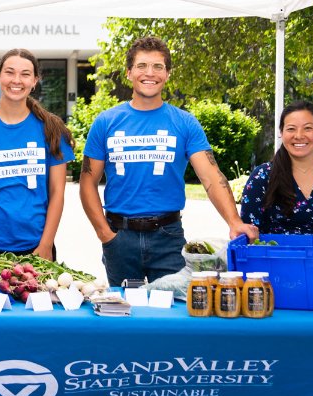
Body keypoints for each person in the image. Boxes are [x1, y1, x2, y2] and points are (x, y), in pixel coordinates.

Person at [79, 36, 257, 286]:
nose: (149, 73)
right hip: (119, 236)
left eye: (158, 67)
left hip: (168, 237)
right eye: (141, 66)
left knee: (171, 316)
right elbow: (88, 182)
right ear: (129, 72)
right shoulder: (106, 122)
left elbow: (211, 177)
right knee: (123, 315)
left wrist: (234, 221)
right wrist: (105, 234)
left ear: (167, 74)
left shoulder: (185, 123)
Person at [0, 48, 75, 261]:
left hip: (38, 246)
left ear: (35, 80)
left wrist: (46, 245)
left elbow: (57, 192)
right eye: (10, 72)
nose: (16, 80)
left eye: (25, 74)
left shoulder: (52, 128)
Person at [240, 100, 313, 233]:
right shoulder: (262, 175)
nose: (299, 136)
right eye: (291, 129)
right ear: (281, 132)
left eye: (307, 128)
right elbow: (249, 233)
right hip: (272, 254)